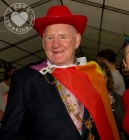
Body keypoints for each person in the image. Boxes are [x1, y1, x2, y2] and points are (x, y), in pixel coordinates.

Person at [0, 6, 120, 140]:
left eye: (63, 36)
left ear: (77, 41)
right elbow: (9, 134)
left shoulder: (92, 75)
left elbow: (104, 126)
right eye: (50, 38)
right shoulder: (26, 79)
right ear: (43, 43)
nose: (56, 44)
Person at [98, 62, 127, 140]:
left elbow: (121, 125)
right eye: (97, 77)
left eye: (103, 78)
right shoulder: (87, 98)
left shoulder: (117, 99)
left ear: (108, 78)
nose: (100, 81)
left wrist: (110, 108)